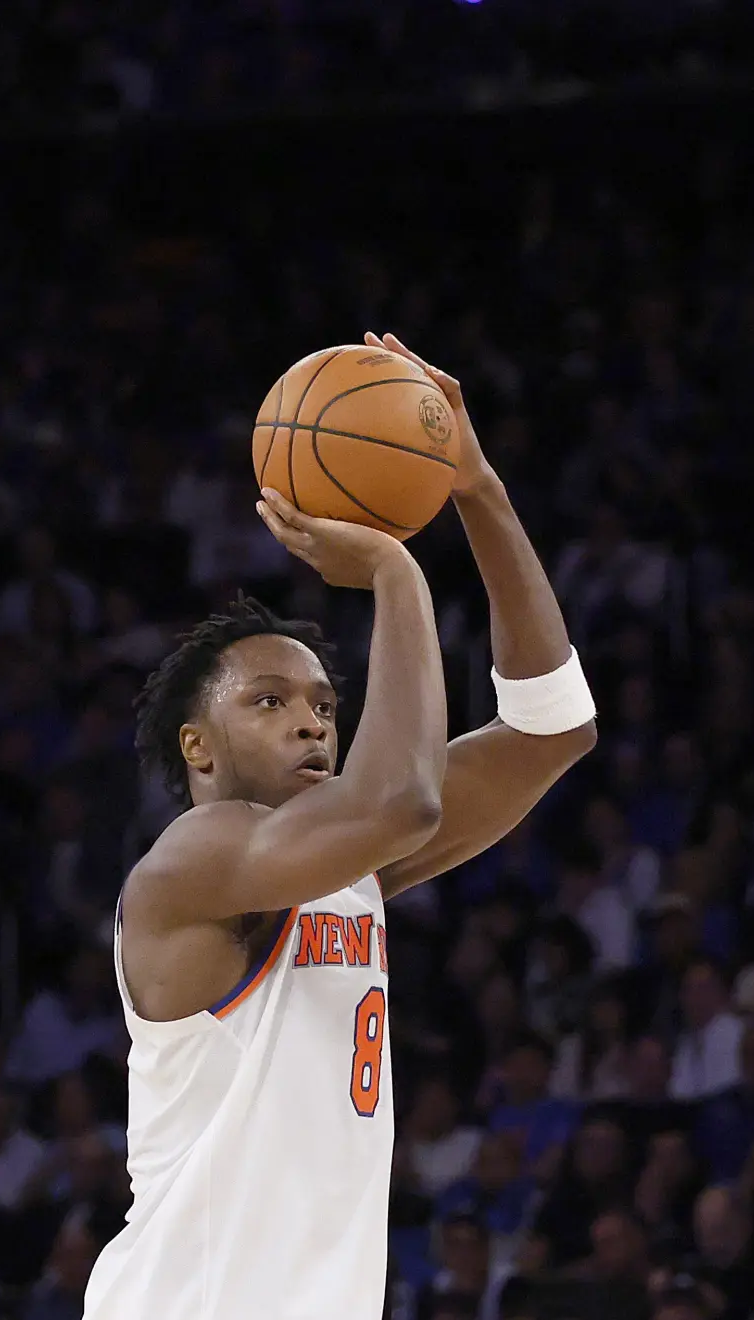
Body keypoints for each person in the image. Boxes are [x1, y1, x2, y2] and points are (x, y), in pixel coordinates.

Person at [84, 341, 597, 1320]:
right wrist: (396, 572)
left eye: (324, 703)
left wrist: (478, 490)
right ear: (196, 745)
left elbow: (553, 729)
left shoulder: (342, 865)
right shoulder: (192, 861)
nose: (312, 721)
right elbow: (400, 800)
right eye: (269, 701)